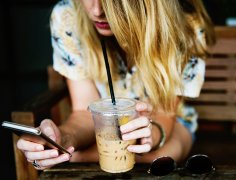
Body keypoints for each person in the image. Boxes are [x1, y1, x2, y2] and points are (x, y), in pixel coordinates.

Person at [16, 0, 215, 170]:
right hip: (103, 129)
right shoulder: (68, 16)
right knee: (133, 158)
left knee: (161, 157)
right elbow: (85, 112)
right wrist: (62, 139)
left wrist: (149, 136)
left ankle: (78, 156)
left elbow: (166, 113)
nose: (96, 11)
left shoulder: (186, 26)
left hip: (168, 122)